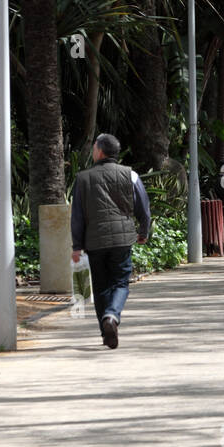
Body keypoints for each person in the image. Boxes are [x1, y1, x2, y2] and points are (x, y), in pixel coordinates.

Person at [71, 133, 151, 349]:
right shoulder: (130, 175)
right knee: (120, 282)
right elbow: (143, 206)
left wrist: (76, 246)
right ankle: (112, 317)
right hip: (122, 239)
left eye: (94, 147)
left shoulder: (83, 178)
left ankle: (106, 332)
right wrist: (144, 231)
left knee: (101, 287)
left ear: (100, 151)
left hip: (94, 242)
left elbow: (77, 215)